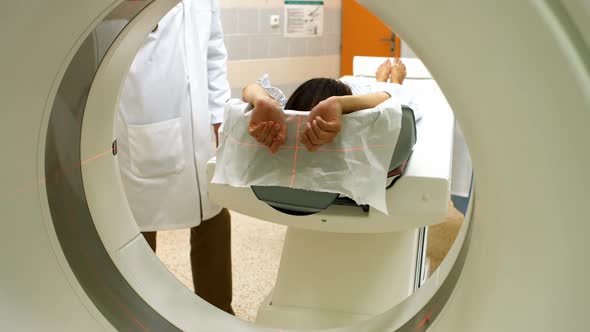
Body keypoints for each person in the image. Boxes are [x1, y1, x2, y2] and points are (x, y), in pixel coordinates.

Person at [115, 0, 234, 315]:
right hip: (142, 115)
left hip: (195, 127)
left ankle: (219, 310)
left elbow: (214, 52)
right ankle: (137, 312)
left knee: (213, 213)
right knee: (137, 224)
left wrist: (220, 112)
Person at [242, 59, 407, 152]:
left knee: (376, 92)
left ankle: (381, 81)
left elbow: (250, 89)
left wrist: (262, 100)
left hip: (349, 94)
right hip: (364, 95)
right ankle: (392, 81)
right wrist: (340, 103)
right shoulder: (356, 124)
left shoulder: (283, 116)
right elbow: (393, 98)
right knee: (383, 92)